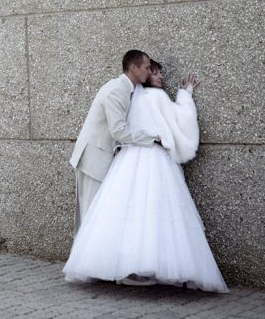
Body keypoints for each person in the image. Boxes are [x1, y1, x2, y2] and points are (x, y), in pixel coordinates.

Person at [63, 60, 228, 292]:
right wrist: (186, 94)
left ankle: (114, 266)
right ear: (142, 73)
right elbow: (182, 120)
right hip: (152, 157)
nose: (160, 77)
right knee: (154, 212)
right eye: (155, 72)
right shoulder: (154, 97)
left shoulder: (133, 97)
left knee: (119, 213)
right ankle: (143, 266)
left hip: (127, 159)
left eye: (160, 73)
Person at [68, 50, 163, 232]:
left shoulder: (125, 88)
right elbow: (119, 131)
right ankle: (86, 259)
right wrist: (153, 138)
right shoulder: (118, 90)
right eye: (146, 68)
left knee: (96, 213)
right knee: (91, 214)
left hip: (99, 155)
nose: (149, 72)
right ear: (134, 68)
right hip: (93, 158)